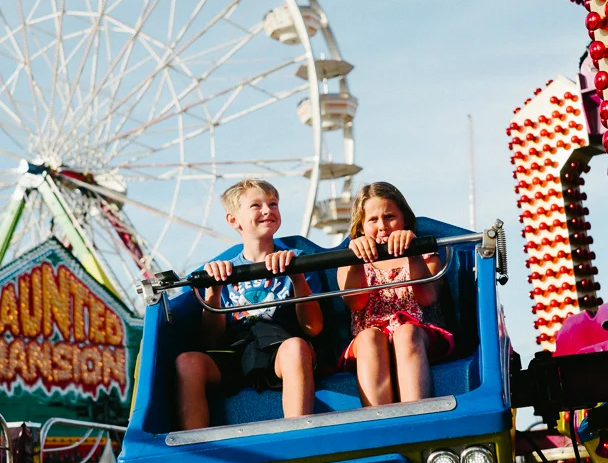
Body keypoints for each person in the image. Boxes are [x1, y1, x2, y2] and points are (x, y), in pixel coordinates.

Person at [174, 179, 324, 430]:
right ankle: (195, 447)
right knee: (187, 363)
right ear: (234, 220)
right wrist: (214, 290)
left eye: (273, 204)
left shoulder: (299, 261)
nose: (268, 210)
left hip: (280, 349)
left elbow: (313, 328)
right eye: (256, 205)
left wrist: (297, 276)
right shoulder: (223, 270)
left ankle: (298, 432)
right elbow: (212, 341)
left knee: (297, 347)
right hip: (236, 353)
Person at [337, 182, 454, 407]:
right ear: (361, 227)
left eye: (389, 216)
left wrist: (412, 253)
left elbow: (428, 297)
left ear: (404, 219)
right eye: (372, 220)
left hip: (420, 335)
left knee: (406, 333)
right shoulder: (348, 261)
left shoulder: (426, 254)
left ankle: (416, 413)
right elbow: (355, 302)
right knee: (371, 338)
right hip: (370, 341)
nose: (382, 227)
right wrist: (357, 261)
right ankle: (378, 419)